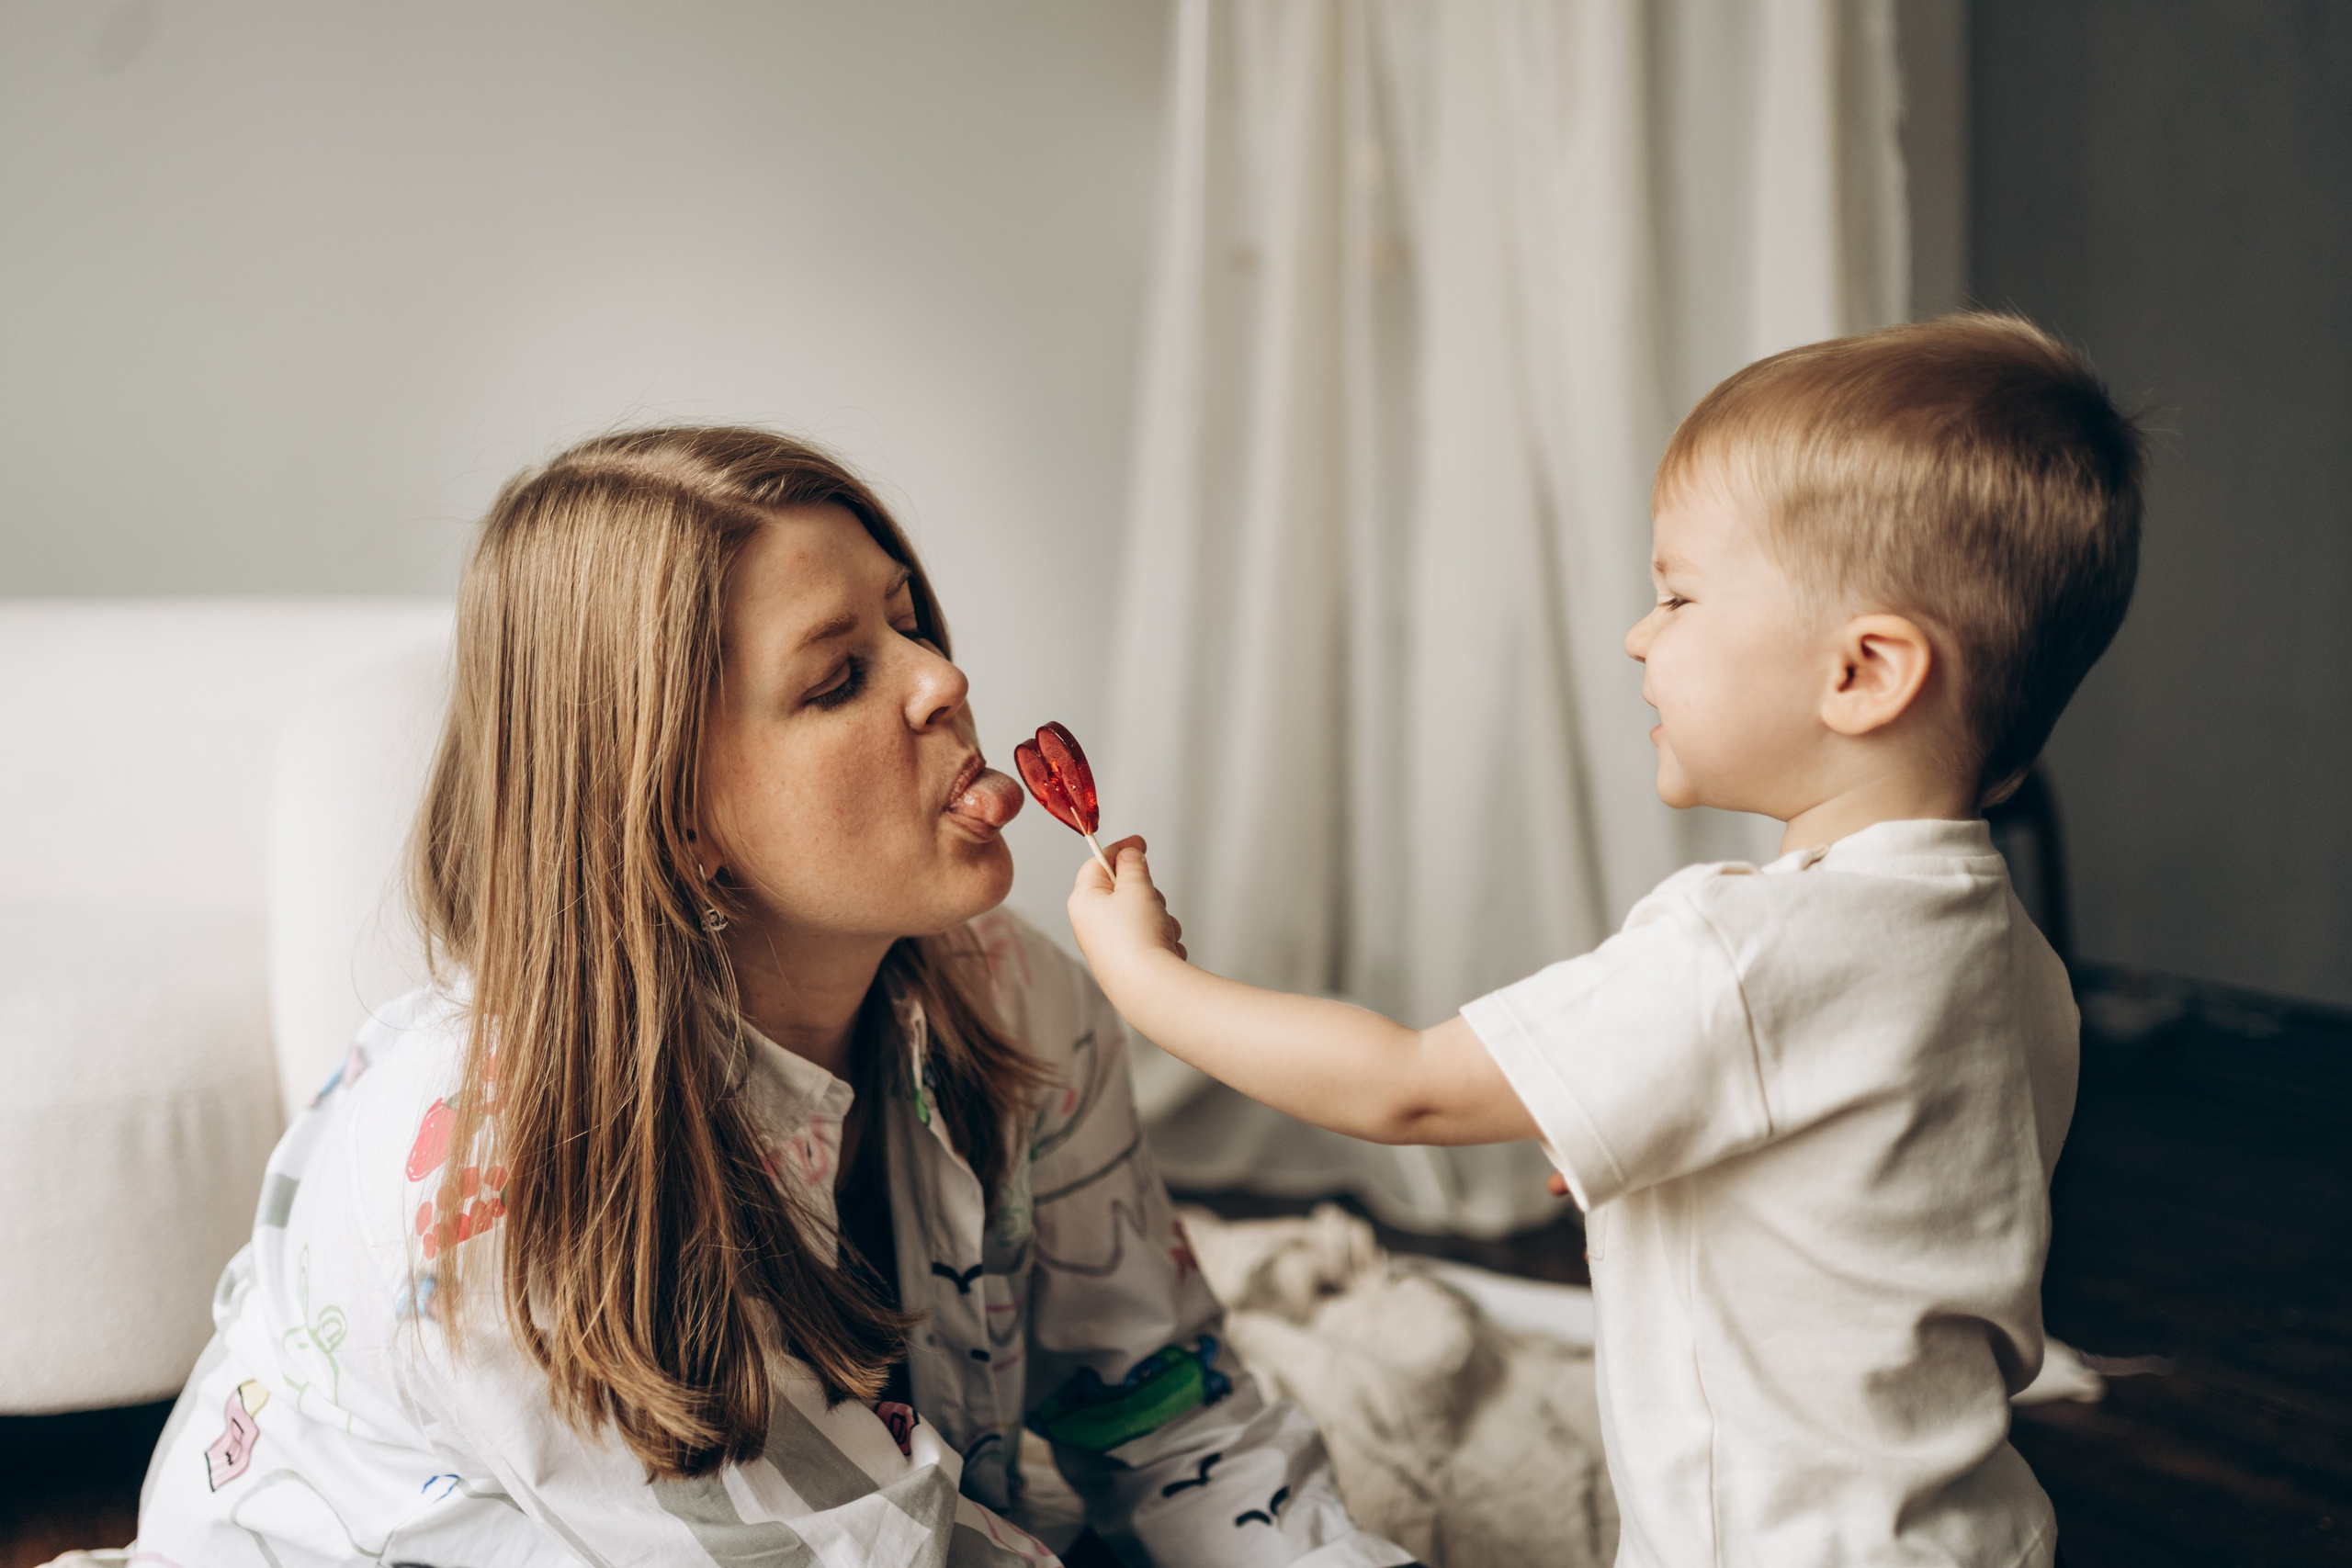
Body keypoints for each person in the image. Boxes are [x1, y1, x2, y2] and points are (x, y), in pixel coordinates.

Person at [135, 428, 1411, 1568]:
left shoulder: (1023, 998)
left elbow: (1162, 1407)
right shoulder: (510, 1178)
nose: (942, 681)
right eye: (839, 677)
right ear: (673, 817)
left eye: (909, 622)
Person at [1069, 315, 2142, 1566]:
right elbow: (1884, 1194)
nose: (1640, 634)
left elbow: (1404, 1089)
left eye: (1678, 595)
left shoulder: (1738, 944)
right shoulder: (2013, 958)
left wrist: (1149, 983)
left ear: (1861, 673)